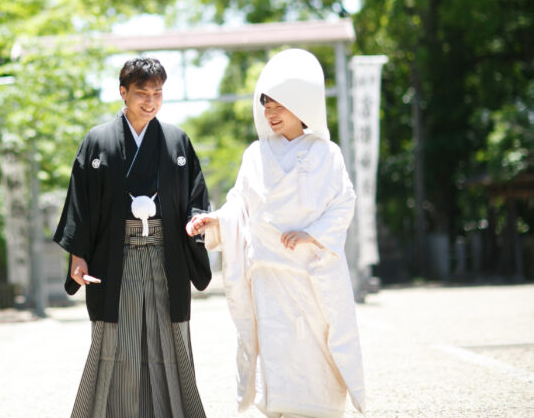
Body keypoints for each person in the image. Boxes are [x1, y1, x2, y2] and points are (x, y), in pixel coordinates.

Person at [186, 48, 366, 418]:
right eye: (265, 106)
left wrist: (313, 234)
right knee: (277, 355)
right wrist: (216, 221)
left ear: (302, 106)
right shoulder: (255, 153)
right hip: (268, 275)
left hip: (310, 273)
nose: (270, 114)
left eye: (278, 106)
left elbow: (344, 202)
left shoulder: (327, 153)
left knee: (316, 349)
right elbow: (240, 204)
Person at [53, 57, 212, 418]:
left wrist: (196, 221)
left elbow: (195, 199)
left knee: (168, 340)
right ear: (123, 93)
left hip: (165, 254)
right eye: (142, 93)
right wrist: (78, 256)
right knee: (116, 342)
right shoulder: (98, 141)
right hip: (114, 258)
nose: (151, 101)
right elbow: (81, 203)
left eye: (157, 93)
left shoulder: (176, 140)